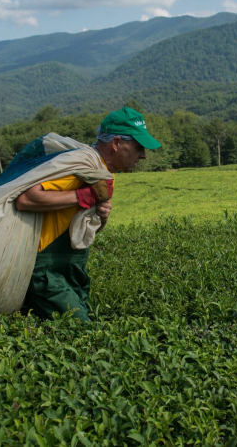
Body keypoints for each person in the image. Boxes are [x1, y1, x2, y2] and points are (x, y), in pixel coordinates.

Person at [14, 107, 162, 322]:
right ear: (117, 143)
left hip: (71, 267)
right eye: (139, 147)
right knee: (81, 328)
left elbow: (85, 224)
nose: (144, 155)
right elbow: (26, 199)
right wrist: (84, 196)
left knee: (84, 322)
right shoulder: (82, 164)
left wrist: (102, 216)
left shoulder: (103, 171)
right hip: (46, 270)